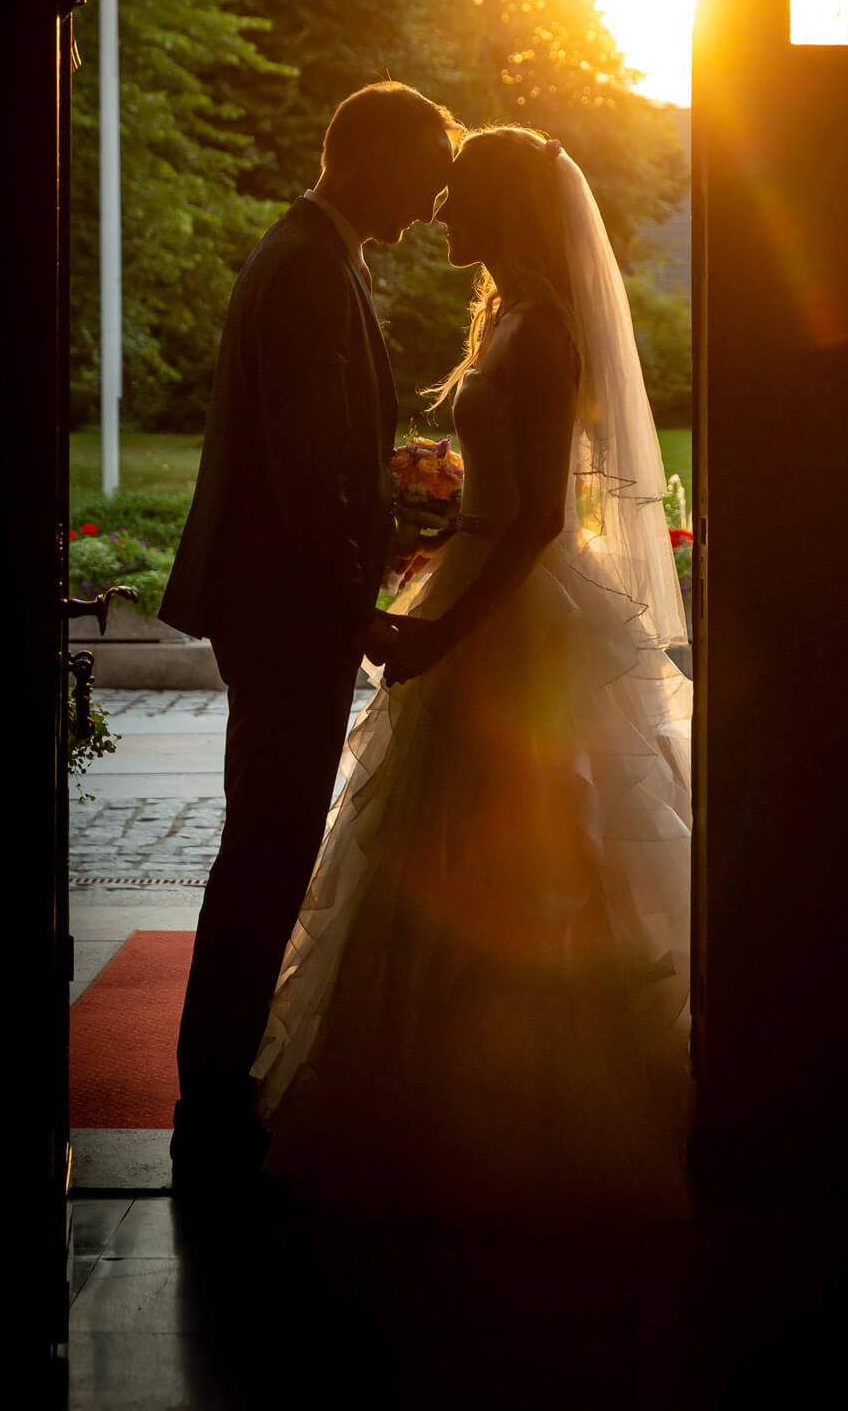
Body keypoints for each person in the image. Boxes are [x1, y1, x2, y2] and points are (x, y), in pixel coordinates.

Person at [252, 127, 695, 1225]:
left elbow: (542, 517)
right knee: (436, 842)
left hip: (511, 618)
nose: (441, 212)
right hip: (469, 584)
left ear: (502, 207)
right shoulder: (507, 318)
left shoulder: (543, 332)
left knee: (518, 838)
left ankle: (525, 1115)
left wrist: (443, 638)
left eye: (459, 197)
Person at [160, 80, 457, 1195]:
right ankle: (211, 1103)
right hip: (288, 615)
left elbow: (330, 454)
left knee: (269, 843)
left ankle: (215, 1090)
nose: (433, 201)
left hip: (286, 610)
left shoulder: (313, 257)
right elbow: (300, 473)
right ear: (368, 154)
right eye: (424, 167)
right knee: (266, 852)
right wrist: (358, 611)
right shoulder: (306, 270)